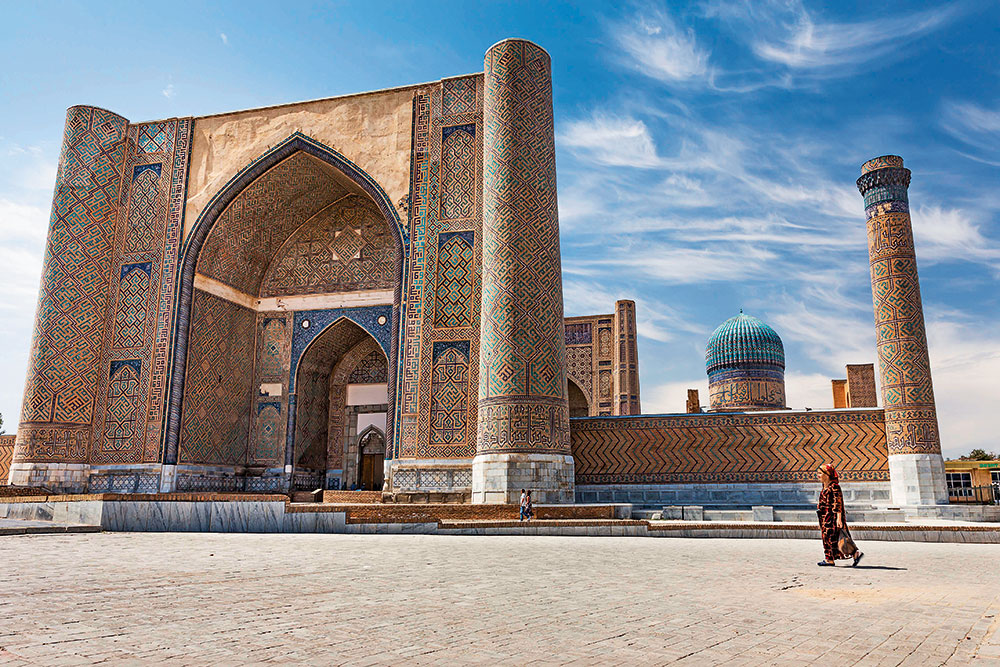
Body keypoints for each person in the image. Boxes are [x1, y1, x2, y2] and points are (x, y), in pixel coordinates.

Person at [817, 463, 863, 567]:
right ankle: (831, 559)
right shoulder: (825, 486)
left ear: (827, 474)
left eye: (820, 473)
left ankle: (833, 558)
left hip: (832, 517)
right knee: (828, 538)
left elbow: (838, 503)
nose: (818, 475)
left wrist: (839, 519)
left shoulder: (835, 487)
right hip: (824, 517)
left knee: (835, 538)